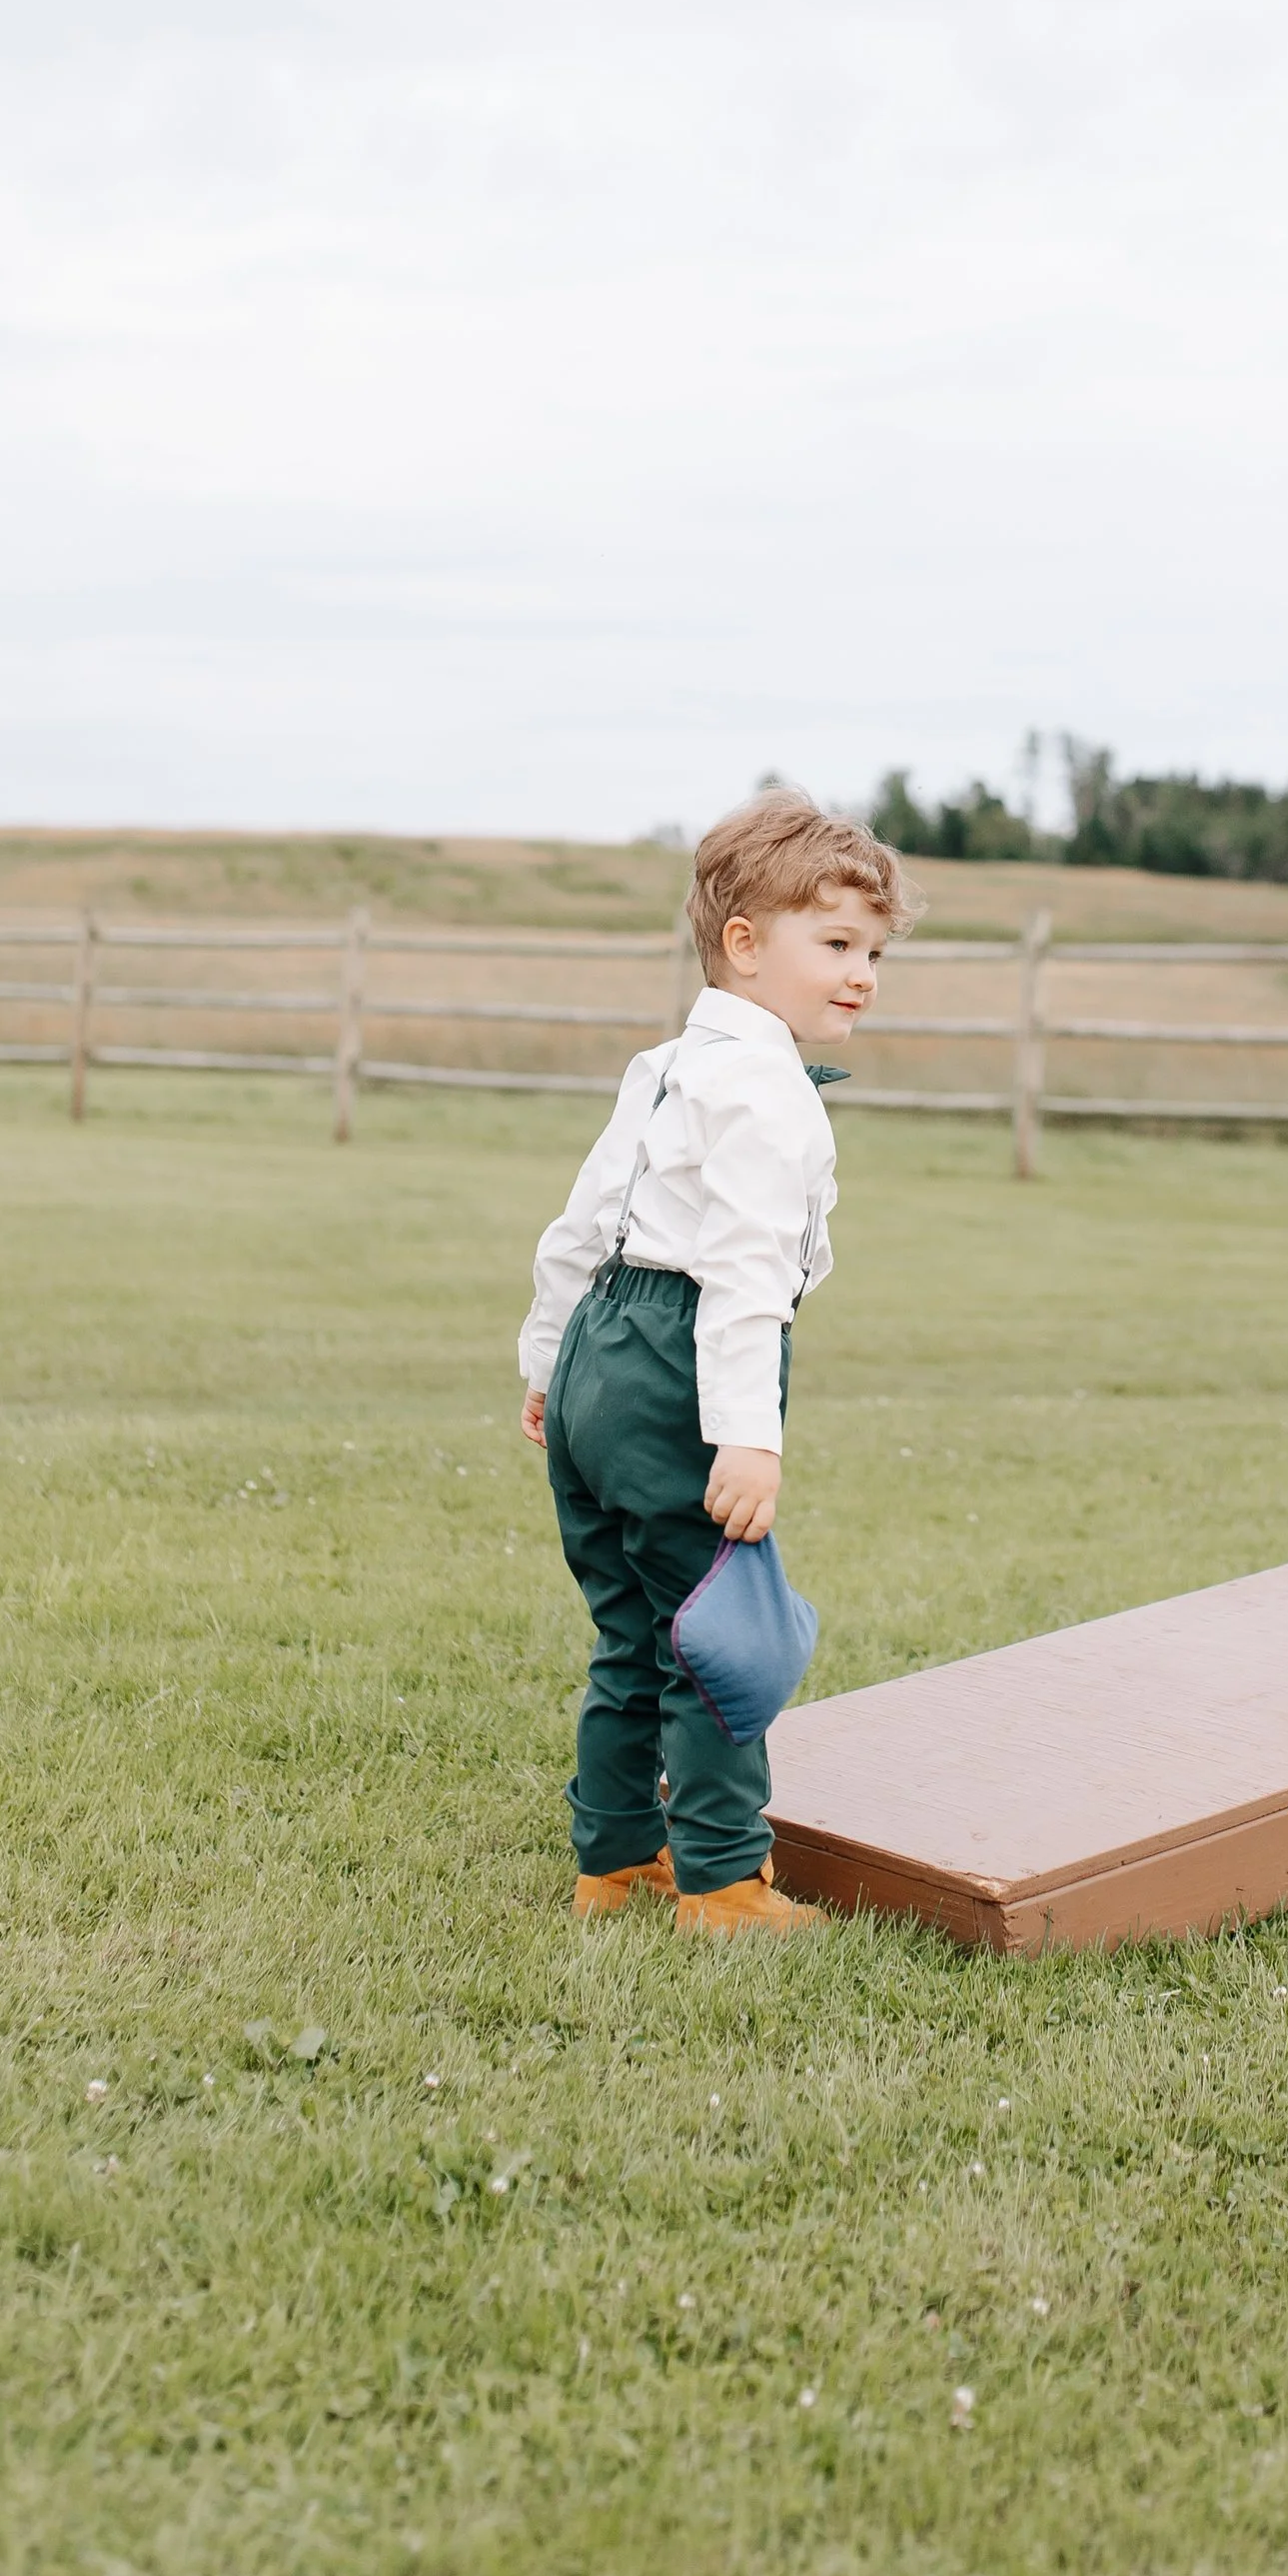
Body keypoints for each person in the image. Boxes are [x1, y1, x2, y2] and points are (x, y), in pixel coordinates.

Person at [519, 791, 914, 1936]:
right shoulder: (767, 1092)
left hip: (602, 1343)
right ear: (743, 944)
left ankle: (615, 1861)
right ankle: (726, 1885)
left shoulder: (662, 1065)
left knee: (632, 1630)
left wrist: (548, 1363)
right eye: (836, 944)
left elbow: (579, 1228)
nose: (864, 973)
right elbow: (744, 1274)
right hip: (682, 1362)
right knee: (717, 1634)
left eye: (874, 951)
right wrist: (748, 1432)